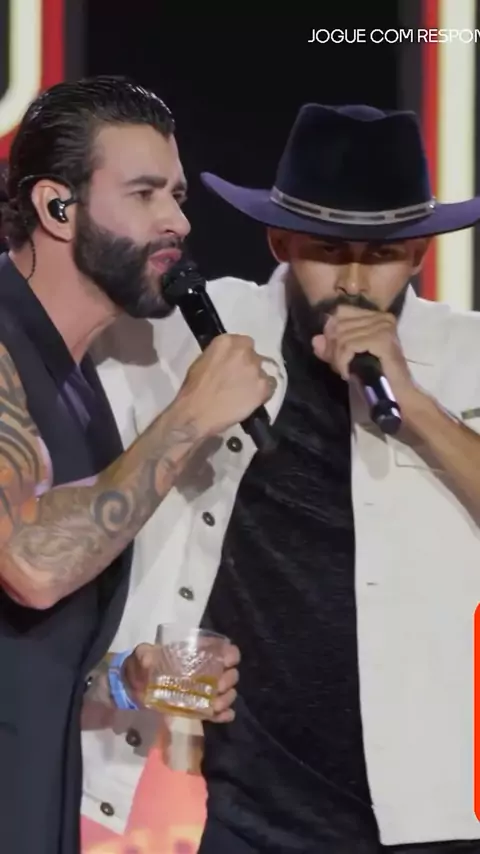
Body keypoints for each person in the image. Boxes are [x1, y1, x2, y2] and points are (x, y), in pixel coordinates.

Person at [83, 103, 480, 853]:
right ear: (281, 241)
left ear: (419, 254)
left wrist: (414, 404)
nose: (354, 280)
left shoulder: (471, 355)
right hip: (246, 813)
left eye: (382, 253)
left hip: (438, 812)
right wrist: (123, 672)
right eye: (329, 250)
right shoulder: (194, 335)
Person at [0, 75, 274, 854]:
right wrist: (191, 415)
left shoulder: (84, 384)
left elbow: (30, 644)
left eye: (177, 195)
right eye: (145, 193)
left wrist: (130, 678)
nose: (178, 221)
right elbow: (30, 564)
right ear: (58, 207)